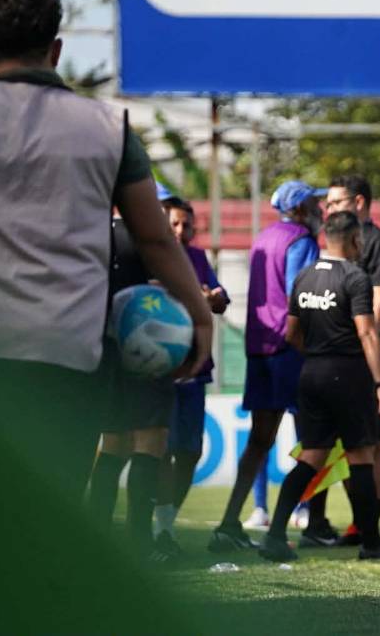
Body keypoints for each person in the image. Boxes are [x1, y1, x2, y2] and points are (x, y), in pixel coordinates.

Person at [0, 0, 211, 631]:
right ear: (55, 49)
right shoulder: (109, 125)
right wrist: (198, 317)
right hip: (66, 358)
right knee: (45, 518)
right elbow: (155, 238)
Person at [258, 211, 380, 562]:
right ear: (354, 240)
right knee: (361, 455)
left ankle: (275, 536)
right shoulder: (355, 277)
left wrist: (318, 353)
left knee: (312, 457)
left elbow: (291, 333)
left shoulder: (304, 277)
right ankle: (371, 543)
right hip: (348, 376)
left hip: (312, 374)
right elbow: (367, 332)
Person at [209, 180, 324, 552]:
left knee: (260, 441)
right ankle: (289, 527)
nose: (320, 210)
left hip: (259, 347)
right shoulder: (301, 240)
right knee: (314, 442)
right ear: (301, 208)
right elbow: (300, 295)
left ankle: (230, 522)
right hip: (290, 347)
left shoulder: (264, 237)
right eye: (314, 203)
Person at [86, 188, 185, 556]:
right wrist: (205, 301)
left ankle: (95, 538)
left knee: (112, 444)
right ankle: (141, 541)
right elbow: (163, 294)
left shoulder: (96, 233)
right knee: (150, 443)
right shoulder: (147, 240)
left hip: (104, 353)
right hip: (144, 351)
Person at [323, 175, 380, 557]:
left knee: (375, 439)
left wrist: (361, 347)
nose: (330, 209)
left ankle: (368, 523)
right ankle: (360, 520)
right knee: (347, 441)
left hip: (372, 352)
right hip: (344, 352)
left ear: (358, 202)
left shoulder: (378, 244)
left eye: (336, 202)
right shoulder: (334, 244)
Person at [153, 198, 230, 557]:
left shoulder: (198, 259)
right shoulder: (149, 254)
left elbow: (219, 299)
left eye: (187, 225)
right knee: (162, 452)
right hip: (162, 370)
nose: (181, 231)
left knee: (190, 452)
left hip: (195, 369)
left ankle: (165, 525)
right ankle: (158, 530)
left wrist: (213, 296)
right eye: (175, 224)